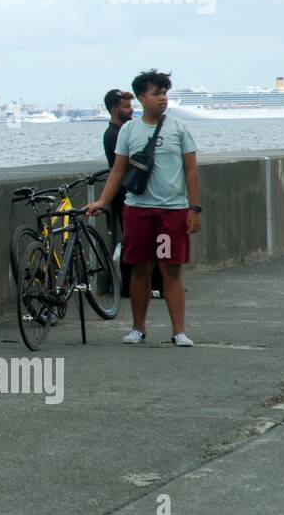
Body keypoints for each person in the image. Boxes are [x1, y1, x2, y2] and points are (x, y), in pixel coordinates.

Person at [85, 69, 201, 346]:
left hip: (171, 211)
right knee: (140, 268)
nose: (163, 99)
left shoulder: (178, 128)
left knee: (171, 269)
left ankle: (179, 331)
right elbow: (117, 171)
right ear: (141, 99)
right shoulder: (129, 130)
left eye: (164, 93)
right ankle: (138, 328)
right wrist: (102, 201)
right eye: (156, 93)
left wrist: (193, 208)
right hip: (138, 210)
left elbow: (191, 168)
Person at [101, 88, 163, 299]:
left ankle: (156, 282)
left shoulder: (125, 131)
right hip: (124, 193)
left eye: (131, 105)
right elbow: (121, 167)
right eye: (126, 107)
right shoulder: (113, 134)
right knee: (132, 240)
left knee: (143, 239)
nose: (131, 110)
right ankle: (130, 285)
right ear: (113, 109)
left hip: (132, 191)